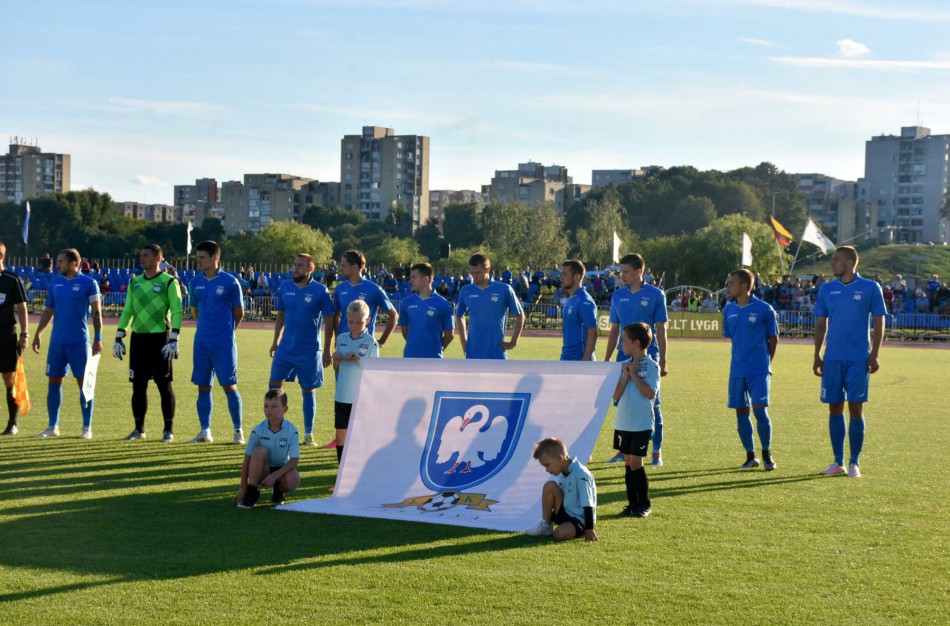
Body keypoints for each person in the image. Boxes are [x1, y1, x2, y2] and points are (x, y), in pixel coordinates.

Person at [813, 246, 885, 478]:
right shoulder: (826, 289)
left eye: (836, 259)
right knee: (834, 407)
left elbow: (879, 322)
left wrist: (874, 354)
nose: (832, 263)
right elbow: (821, 324)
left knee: (856, 407)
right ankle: (838, 462)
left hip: (858, 358)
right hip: (832, 358)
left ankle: (854, 462)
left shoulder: (870, 287)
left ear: (850, 263)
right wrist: (817, 354)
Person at [603, 253, 669, 465]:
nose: (621, 275)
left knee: (653, 403)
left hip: (648, 356)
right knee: (622, 402)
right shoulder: (617, 296)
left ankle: (656, 450)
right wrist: (607, 359)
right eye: (620, 271)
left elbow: (661, 329)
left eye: (626, 272)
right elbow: (614, 330)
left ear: (639, 272)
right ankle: (623, 450)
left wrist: (663, 360)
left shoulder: (656, 295)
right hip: (623, 356)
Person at [113, 244, 183, 442]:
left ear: (158, 258)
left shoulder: (169, 282)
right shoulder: (135, 282)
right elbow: (128, 311)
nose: (141, 258)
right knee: (138, 386)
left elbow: (177, 311)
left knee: (164, 386)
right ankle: (139, 430)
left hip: (161, 339)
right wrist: (119, 335)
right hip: (138, 340)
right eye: (140, 255)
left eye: (146, 255)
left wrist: (174, 338)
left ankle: (168, 431)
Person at [31, 249, 102, 439]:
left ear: (73, 263)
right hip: (57, 342)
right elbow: (48, 311)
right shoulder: (56, 282)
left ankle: (87, 428)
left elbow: (97, 313)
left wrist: (98, 338)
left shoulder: (89, 283)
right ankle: (52, 426)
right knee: (54, 382)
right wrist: (38, 334)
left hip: (79, 341)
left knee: (84, 384)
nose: (57, 264)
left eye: (60, 261)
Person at [269, 253, 334, 446]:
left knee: (308, 391)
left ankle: (308, 433)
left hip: (309, 351)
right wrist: (275, 341)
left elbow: (329, 321)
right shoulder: (285, 286)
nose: (295, 268)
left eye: (299, 265)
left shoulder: (321, 291)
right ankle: (275, 429)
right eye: (294, 264)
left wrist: (327, 350)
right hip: (285, 349)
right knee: (274, 388)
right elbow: (280, 315)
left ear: (310, 269)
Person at [188, 240, 245, 444]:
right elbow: (195, 311)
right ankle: (205, 432)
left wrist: (228, 332)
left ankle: (238, 431)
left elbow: (239, 312)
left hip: (224, 343)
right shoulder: (195, 282)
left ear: (215, 258)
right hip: (202, 342)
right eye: (197, 258)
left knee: (229, 385)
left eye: (203, 258)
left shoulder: (230, 282)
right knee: (203, 386)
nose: (199, 261)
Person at [723, 269, 778, 471]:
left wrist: (766, 363)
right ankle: (750, 456)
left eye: (732, 283)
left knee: (760, 411)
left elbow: (774, 339)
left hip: (759, 369)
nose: (728, 287)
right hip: (737, 369)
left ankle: (767, 455)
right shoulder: (728, 310)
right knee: (741, 412)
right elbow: (733, 338)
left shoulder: (765, 309)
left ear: (745, 286)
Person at [612, 322, 660, 517]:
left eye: (624, 340)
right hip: (623, 422)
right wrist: (626, 376)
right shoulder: (623, 365)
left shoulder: (651, 366)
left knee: (635, 462)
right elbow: (615, 395)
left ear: (636, 343)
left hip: (641, 423)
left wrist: (634, 375)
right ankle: (632, 504)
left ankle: (644, 504)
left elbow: (650, 393)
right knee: (627, 462)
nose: (621, 344)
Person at [324, 249, 397, 370]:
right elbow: (335, 315)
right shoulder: (340, 289)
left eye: (343, 265)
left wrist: (382, 341)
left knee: (364, 379)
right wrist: (338, 337)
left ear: (354, 267)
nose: (340, 268)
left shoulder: (374, 289)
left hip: (364, 345)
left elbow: (394, 315)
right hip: (344, 344)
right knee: (342, 378)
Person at [331, 300, 379, 466]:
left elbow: (374, 372)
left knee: (360, 435)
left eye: (359, 322)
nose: (355, 326)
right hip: (342, 396)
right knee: (340, 435)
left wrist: (358, 360)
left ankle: (359, 468)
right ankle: (342, 470)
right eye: (351, 322)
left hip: (361, 398)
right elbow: (337, 368)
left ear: (368, 320)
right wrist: (337, 359)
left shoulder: (371, 343)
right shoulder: (341, 338)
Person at [235, 389, 301, 509]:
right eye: (266, 406)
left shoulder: (292, 430)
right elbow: (247, 459)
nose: (269, 409)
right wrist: (243, 487)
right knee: (259, 451)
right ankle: (252, 492)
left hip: (281, 470)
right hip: (262, 469)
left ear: (285, 409)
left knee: (294, 479)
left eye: (274, 406)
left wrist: (275, 475)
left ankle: (278, 492)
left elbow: (294, 461)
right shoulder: (258, 430)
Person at [524, 437, 598, 541]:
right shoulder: (563, 472)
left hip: (580, 519)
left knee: (559, 533)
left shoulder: (581, 474)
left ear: (560, 457)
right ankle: (546, 525)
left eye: (547, 465)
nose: (546, 470)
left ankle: (580, 530)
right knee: (549, 486)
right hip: (566, 512)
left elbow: (588, 504)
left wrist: (589, 529)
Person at [456, 253, 525, 360]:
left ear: (487, 270)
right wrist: (464, 343)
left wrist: (513, 342)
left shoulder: (504, 289)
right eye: (472, 273)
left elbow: (520, 315)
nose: (474, 276)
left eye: (477, 273)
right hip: (473, 353)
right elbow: (459, 315)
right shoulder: (466, 290)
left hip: (497, 353)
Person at [0, 243, 29, 436]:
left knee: (9, 378)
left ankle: (12, 423)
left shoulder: (12, 279)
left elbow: (22, 307)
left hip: (5, 334)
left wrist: (24, 334)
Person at [399, 262, 454, 358]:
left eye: (414, 277)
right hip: (410, 358)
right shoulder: (405, 303)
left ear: (426, 279)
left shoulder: (444, 304)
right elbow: (404, 331)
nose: (410, 281)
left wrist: (437, 349)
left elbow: (449, 335)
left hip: (433, 359)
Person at [559, 259, 597, 361]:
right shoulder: (570, 299)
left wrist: (584, 361)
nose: (561, 278)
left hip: (579, 360)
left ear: (577, 277)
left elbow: (592, 332)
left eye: (565, 274)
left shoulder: (584, 301)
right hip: (566, 357)